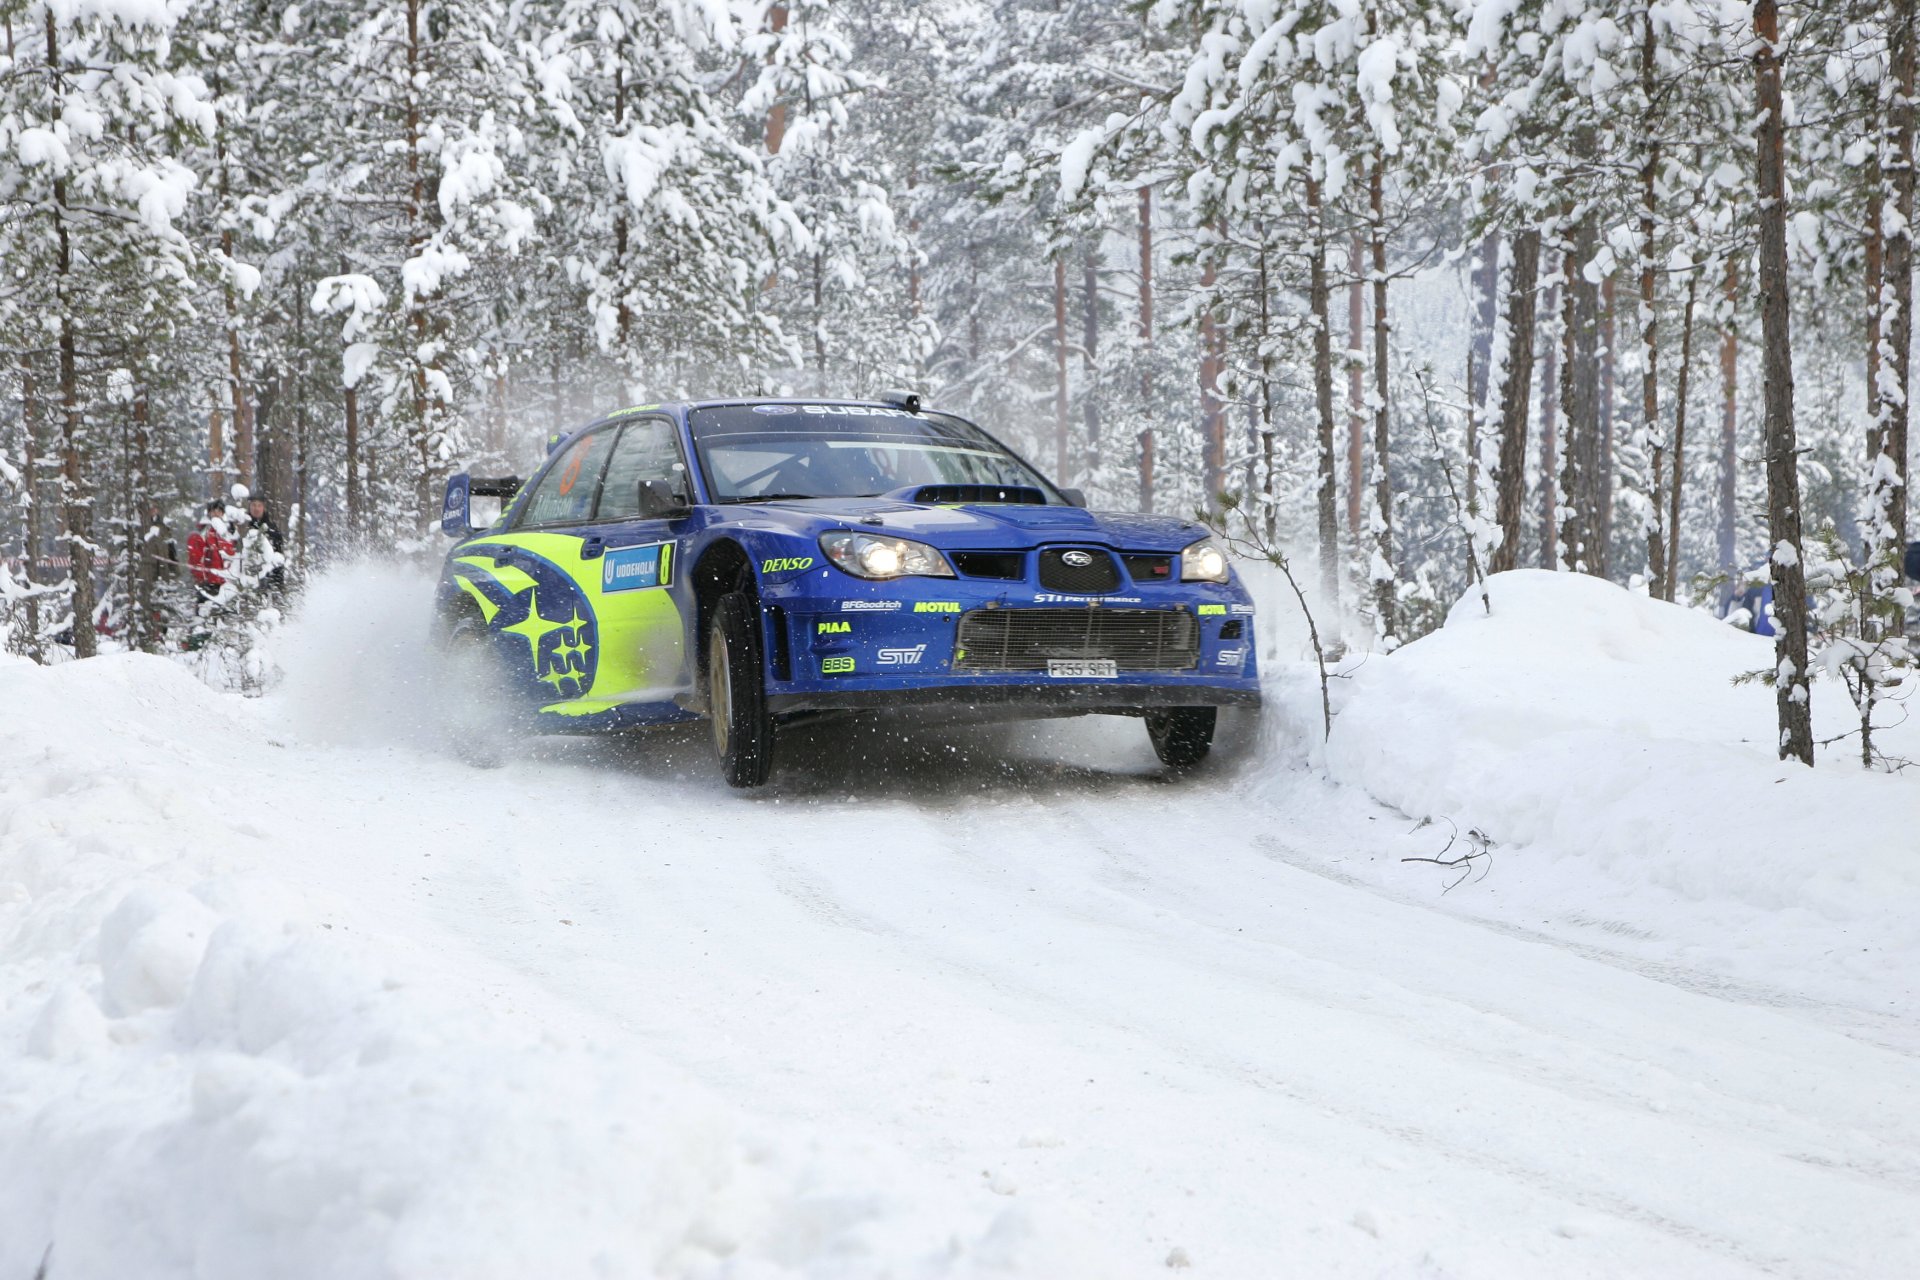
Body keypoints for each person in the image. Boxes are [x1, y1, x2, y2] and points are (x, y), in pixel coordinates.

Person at [187, 500, 233, 602]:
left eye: (219, 511)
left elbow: (231, 557)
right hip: (208, 582)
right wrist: (202, 579)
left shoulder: (227, 534)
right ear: (209, 513)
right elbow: (195, 559)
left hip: (226, 584)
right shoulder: (203, 533)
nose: (216, 514)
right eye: (213, 511)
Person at [243, 496, 286, 596]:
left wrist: (278, 584)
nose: (256, 508)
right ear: (249, 507)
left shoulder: (272, 529)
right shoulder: (244, 527)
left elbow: (278, 556)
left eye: (259, 505)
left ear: (263, 508)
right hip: (247, 579)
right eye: (253, 505)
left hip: (268, 579)